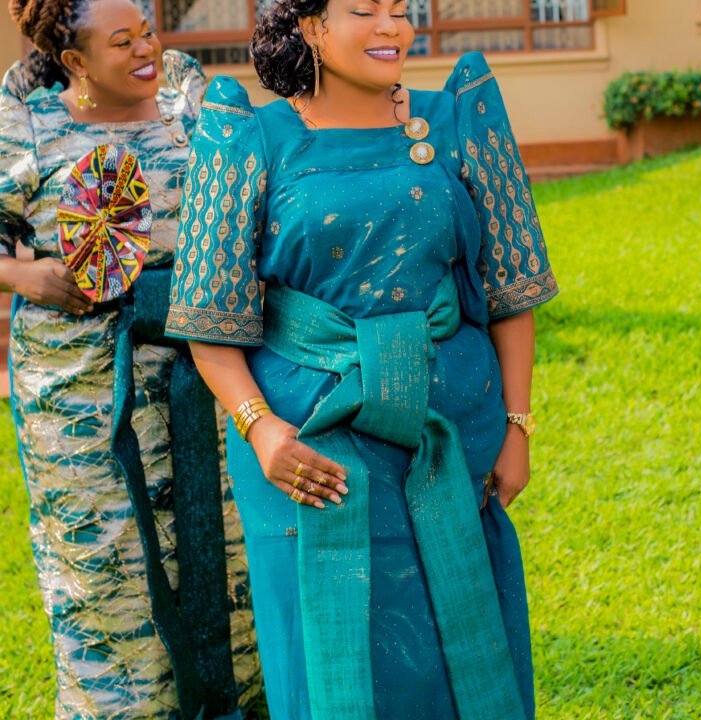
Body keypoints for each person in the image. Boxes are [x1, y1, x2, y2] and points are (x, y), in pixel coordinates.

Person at [166, 0, 558, 715]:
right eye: (365, 10)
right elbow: (208, 317)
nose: (392, 27)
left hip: (449, 438)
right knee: (322, 660)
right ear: (311, 24)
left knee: (458, 651)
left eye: (401, 10)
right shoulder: (248, 138)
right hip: (306, 454)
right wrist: (262, 430)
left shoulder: (458, 118)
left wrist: (518, 425)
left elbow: (511, 290)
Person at [0, 0, 263, 717]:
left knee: (225, 545)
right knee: (110, 559)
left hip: (203, 368)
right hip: (83, 387)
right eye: (123, 42)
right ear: (75, 60)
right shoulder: (28, 124)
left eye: (148, 31)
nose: (147, 48)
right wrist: (23, 275)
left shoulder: (188, 106)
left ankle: (233, 700)